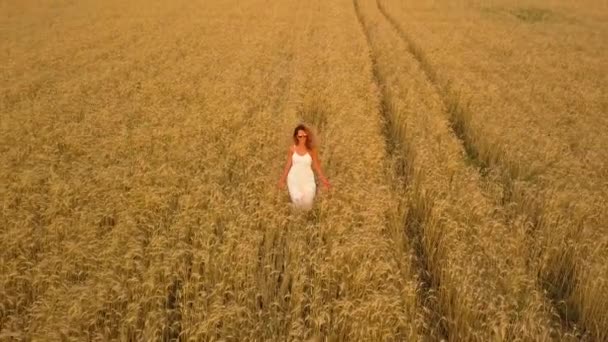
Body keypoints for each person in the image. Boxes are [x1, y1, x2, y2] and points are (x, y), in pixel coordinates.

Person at [278, 124, 330, 210]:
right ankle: (296, 220)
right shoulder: (292, 149)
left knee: (308, 200)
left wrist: (324, 180)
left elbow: (317, 166)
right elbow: (288, 165)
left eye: (305, 136)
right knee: (297, 200)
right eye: (300, 136)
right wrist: (282, 180)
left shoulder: (312, 150)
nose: (303, 138)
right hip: (294, 178)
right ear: (296, 137)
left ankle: (306, 219)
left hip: (307, 179)